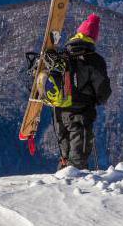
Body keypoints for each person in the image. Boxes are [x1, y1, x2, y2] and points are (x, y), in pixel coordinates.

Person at [46, 13, 112, 170]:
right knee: (77, 161)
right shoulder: (94, 59)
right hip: (81, 114)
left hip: (59, 113)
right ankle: (73, 189)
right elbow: (102, 87)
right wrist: (99, 100)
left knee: (65, 156)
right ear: (94, 38)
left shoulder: (63, 55)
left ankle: (59, 186)